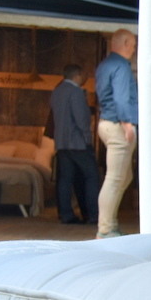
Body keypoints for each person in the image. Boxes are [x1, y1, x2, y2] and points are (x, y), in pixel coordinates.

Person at [93, 28, 138, 238]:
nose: (134, 49)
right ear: (125, 44)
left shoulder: (105, 65)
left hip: (106, 123)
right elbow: (121, 98)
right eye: (133, 45)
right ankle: (105, 229)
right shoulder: (121, 66)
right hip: (118, 125)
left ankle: (109, 224)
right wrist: (127, 123)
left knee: (123, 176)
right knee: (114, 179)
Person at [49, 64, 99, 224]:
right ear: (77, 75)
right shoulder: (76, 92)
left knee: (65, 179)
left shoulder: (57, 92)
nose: (85, 78)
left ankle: (66, 214)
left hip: (62, 142)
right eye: (84, 75)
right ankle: (93, 214)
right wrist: (88, 138)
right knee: (92, 176)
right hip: (77, 142)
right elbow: (81, 119)